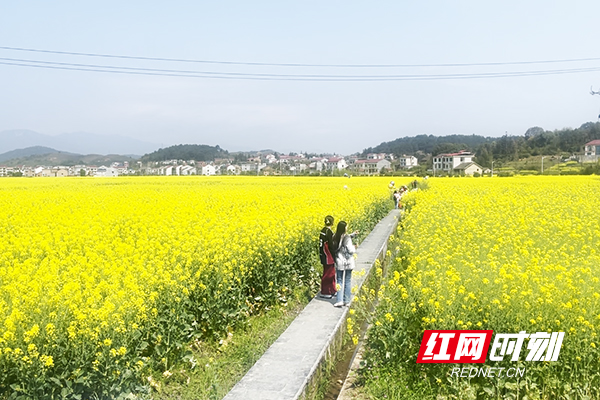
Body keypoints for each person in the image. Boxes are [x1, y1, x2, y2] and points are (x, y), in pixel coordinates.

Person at [332, 221, 358, 307]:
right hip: (348, 262)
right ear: (344, 228)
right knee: (347, 280)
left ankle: (339, 300)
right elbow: (350, 250)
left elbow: (341, 240)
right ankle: (347, 300)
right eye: (346, 227)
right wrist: (355, 247)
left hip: (339, 261)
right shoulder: (347, 238)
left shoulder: (335, 236)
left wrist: (353, 234)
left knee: (339, 280)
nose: (347, 228)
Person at [318, 215, 336, 298]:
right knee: (328, 274)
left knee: (331, 273)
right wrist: (335, 255)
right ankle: (325, 291)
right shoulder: (329, 232)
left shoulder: (323, 231)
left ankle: (332, 290)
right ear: (332, 223)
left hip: (323, 255)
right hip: (328, 256)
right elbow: (331, 246)